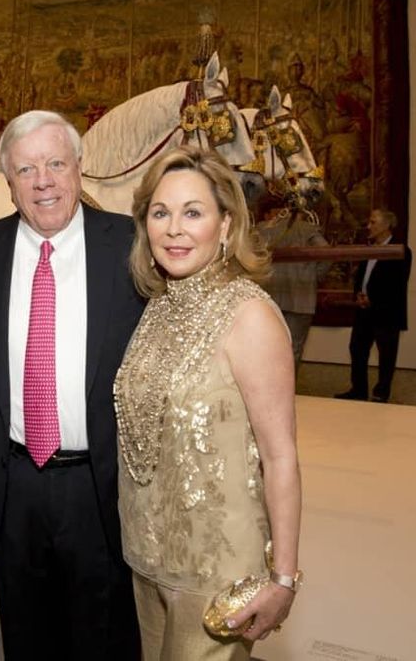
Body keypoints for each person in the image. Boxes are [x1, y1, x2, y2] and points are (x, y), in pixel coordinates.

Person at [0, 110, 144, 660]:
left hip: (99, 485)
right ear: (8, 183)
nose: (44, 181)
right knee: (24, 635)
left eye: (56, 163)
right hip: (12, 486)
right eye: (27, 169)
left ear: (79, 170)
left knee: (104, 637)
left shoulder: (132, 248)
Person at [114, 146, 303, 660]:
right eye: (161, 212)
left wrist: (283, 579)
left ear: (225, 225)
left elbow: (280, 455)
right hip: (148, 561)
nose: (174, 228)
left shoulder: (249, 317)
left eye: (192, 212)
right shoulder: (157, 306)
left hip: (217, 577)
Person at [335, 208, 412, 402]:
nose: (368, 226)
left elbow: (397, 283)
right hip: (364, 311)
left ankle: (381, 393)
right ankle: (358, 389)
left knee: (386, 353)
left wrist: (374, 299)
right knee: (357, 348)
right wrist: (358, 295)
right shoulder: (369, 248)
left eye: (373, 222)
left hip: (386, 312)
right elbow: (361, 277)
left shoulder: (401, 250)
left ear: (387, 225)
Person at [255, 195, 331, 370]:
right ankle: (288, 392)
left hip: (270, 297)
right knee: (293, 349)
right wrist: (314, 276)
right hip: (302, 299)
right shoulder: (307, 229)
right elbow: (326, 253)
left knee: (266, 349)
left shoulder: (262, 229)